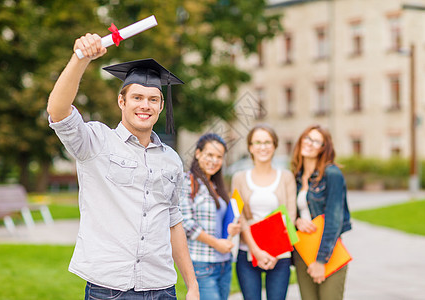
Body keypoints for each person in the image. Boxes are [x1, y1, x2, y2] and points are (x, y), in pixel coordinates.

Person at [47, 33, 199, 299]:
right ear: (122, 101)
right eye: (137, 97)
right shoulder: (95, 142)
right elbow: (58, 111)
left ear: (162, 106)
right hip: (109, 289)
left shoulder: (171, 159)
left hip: (162, 287)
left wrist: (192, 284)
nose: (145, 105)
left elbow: (173, 222)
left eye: (153, 100)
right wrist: (80, 58)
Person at [231, 124, 297, 300]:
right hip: (247, 253)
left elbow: (290, 216)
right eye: (258, 142)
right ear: (250, 147)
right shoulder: (238, 178)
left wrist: (273, 251)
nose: (263, 147)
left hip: (279, 255)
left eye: (268, 142)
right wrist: (256, 251)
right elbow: (239, 216)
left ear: (275, 146)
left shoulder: (286, 177)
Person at [291, 125, 352, 300]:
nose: (309, 143)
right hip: (303, 252)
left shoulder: (332, 174)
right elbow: (289, 212)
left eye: (316, 141)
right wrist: (296, 221)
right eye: (307, 138)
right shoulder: (296, 177)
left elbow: (334, 219)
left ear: (324, 148)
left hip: (328, 252)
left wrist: (320, 260)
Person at [180, 133, 241, 300]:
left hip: (224, 263)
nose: (214, 161)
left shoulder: (216, 185)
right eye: (210, 155)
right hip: (202, 264)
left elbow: (218, 222)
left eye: (219, 157)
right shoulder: (187, 182)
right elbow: (186, 224)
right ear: (198, 153)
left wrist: (232, 228)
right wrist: (216, 244)